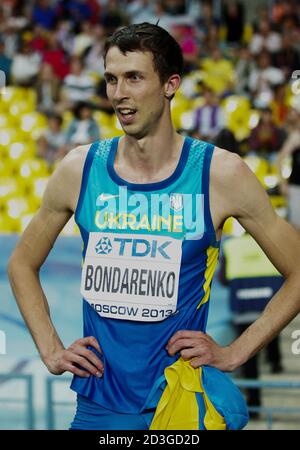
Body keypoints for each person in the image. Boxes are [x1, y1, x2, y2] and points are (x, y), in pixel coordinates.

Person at [7, 23, 300, 430]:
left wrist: (237, 351)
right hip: (98, 407)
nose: (118, 94)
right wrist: (51, 349)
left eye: (134, 78)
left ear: (170, 84)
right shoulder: (80, 169)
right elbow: (21, 263)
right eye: (111, 79)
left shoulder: (220, 174)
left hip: (179, 406)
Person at [220, 231, 284, 416]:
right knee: (271, 332)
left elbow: (223, 278)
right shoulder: (272, 244)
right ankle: (276, 363)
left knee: (249, 356)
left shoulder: (232, 246)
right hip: (270, 303)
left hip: (243, 304)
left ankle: (254, 402)